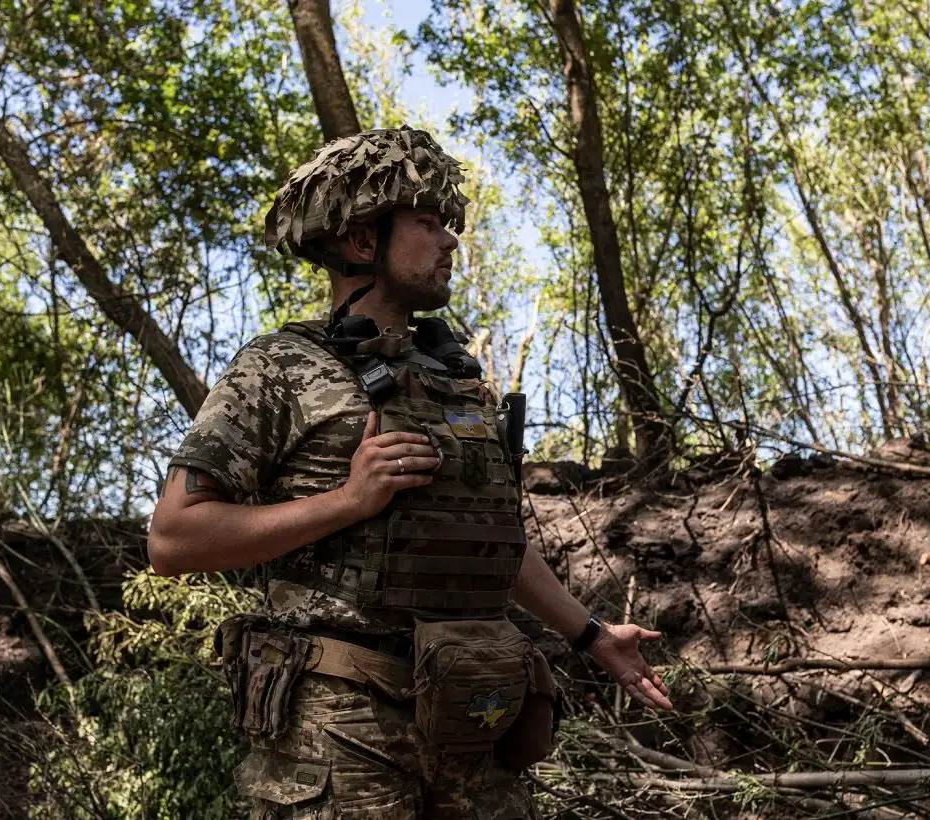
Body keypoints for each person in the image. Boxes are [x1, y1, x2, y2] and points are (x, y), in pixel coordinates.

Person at [147, 126, 672, 819]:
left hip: (470, 720)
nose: (451, 242)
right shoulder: (277, 367)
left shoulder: (457, 385)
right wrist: (348, 500)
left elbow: (491, 545)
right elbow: (174, 540)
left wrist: (593, 636)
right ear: (363, 242)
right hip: (337, 730)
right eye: (429, 224)